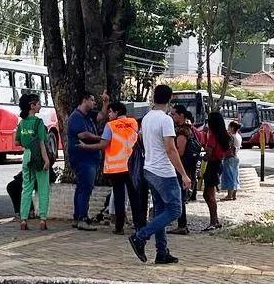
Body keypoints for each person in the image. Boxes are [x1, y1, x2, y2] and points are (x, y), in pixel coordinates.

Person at [128, 84, 192, 264]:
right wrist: (184, 175)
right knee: (175, 210)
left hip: (149, 169)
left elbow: (140, 139)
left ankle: (161, 252)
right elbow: (171, 149)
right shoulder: (165, 120)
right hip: (164, 172)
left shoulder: (147, 118)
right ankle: (140, 237)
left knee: (159, 212)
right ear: (170, 98)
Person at [79, 101, 142, 235]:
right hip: (132, 166)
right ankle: (139, 226)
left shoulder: (110, 126)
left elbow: (103, 145)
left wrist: (85, 146)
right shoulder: (133, 123)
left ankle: (119, 227)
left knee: (119, 196)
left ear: (117, 113)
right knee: (134, 196)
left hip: (116, 167)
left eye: (111, 112)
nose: (109, 114)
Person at [66, 90, 110, 231]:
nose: (93, 102)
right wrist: (101, 139)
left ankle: (78, 216)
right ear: (84, 100)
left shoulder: (88, 115)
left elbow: (101, 116)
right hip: (82, 158)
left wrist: (105, 103)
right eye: (92, 100)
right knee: (85, 188)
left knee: (82, 187)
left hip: (90, 158)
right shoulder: (76, 117)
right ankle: (82, 218)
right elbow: (83, 134)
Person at [16, 94, 52, 231]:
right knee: (43, 188)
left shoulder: (22, 123)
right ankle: (42, 220)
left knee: (26, 189)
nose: (40, 106)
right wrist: (46, 159)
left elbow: (17, 141)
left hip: (26, 156)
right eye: (38, 104)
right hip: (38, 157)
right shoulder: (38, 122)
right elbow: (42, 143)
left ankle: (23, 220)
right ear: (32, 106)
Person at [168, 105, 196, 235]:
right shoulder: (185, 129)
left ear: (181, 115)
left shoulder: (182, 132)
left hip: (181, 167)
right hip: (184, 167)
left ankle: (182, 224)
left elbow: (179, 151)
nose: (172, 117)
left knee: (179, 196)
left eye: (174, 114)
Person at [201, 111, 229, 230]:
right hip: (218, 163)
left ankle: (213, 221)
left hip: (212, 165)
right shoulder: (224, 135)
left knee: (209, 194)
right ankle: (215, 220)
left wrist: (202, 151)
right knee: (207, 194)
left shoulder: (213, 136)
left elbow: (208, 153)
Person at [221, 121, 242, 201]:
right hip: (236, 157)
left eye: (229, 127)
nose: (228, 128)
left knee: (229, 176)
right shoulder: (239, 136)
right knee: (235, 176)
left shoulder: (231, 137)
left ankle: (229, 195)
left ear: (232, 128)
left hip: (230, 158)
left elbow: (228, 148)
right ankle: (234, 195)